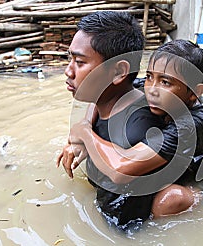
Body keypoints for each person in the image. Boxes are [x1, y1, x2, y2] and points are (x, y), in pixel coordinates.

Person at [68, 40, 203, 219]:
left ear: (194, 93)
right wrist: (85, 125)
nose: (151, 89)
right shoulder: (152, 86)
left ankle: (199, 197)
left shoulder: (195, 124)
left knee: (169, 201)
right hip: (183, 160)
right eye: (150, 76)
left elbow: (121, 169)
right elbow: (107, 94)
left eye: (166, 82)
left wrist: (84, 134)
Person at [56, 11, 164, 231]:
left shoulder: (133, 136)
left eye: (79, 62)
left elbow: (122, 227)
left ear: (119, 72)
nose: (68, 71)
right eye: (70, 59)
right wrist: (82, 135)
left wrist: (83, 134)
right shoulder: (110, 99)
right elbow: (95, 103)